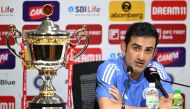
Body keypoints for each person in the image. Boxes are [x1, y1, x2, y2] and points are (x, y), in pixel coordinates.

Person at [96, 22, 174, 109]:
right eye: (136, 48)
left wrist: (123, 107)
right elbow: (107, 107)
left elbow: (168, 105)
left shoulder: (156, 70)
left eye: (148, 50)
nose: (141, 57)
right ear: (124, 47)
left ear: (154, 53)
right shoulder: (110, 68)